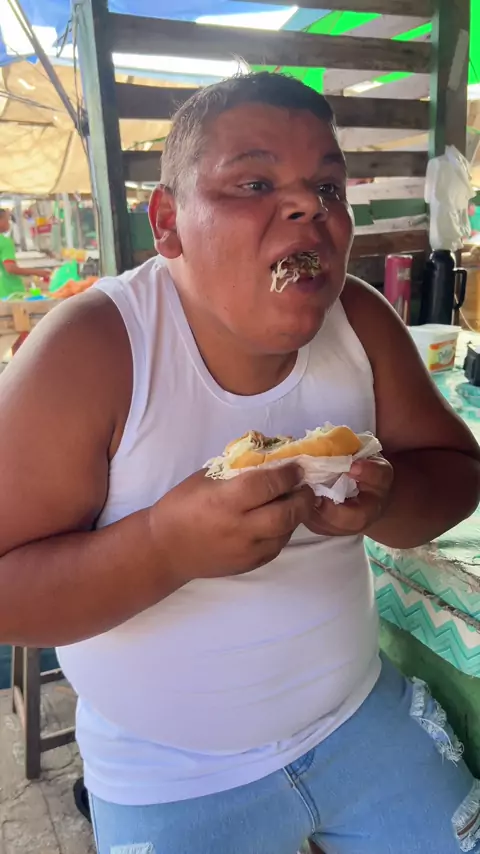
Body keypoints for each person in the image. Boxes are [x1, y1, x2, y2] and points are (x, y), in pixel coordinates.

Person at [0, 72, 479, 854]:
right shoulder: (93, 350)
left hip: (360, 720)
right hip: (168, 774)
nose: (308, 208)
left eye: (328, 186)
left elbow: (456, 469)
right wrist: (163, 547)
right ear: (168, 223)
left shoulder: (359, 320)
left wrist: (387, 504)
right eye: (254, 183)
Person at [0, 208, 51, 299]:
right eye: (7, 219)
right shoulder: (5, 242)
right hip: (8, 292)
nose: (9, 223)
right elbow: (10, 268)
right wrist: (37, 272)